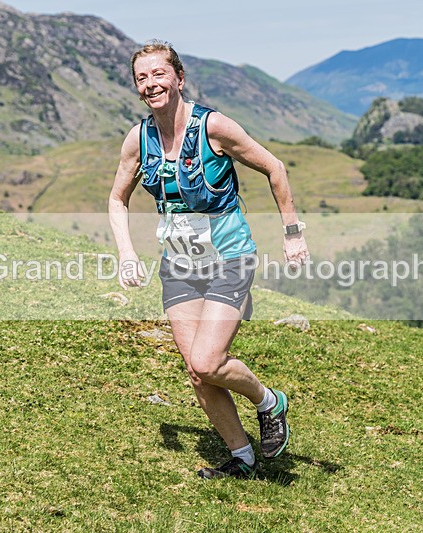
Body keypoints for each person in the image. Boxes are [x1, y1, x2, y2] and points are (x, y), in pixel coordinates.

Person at [108, 40, 309, 479]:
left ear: (179, 79)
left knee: (206, 360)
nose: (150, 84)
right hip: (179, 266)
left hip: (230, 259)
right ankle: (243, 459)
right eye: (141, 78)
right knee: (198, 374)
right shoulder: (139, 139)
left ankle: (268, 401)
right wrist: (126, 254)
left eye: (158, 74)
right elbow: (117, 198)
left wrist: (292, 233)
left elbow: (275, 167)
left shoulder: (214, 127)